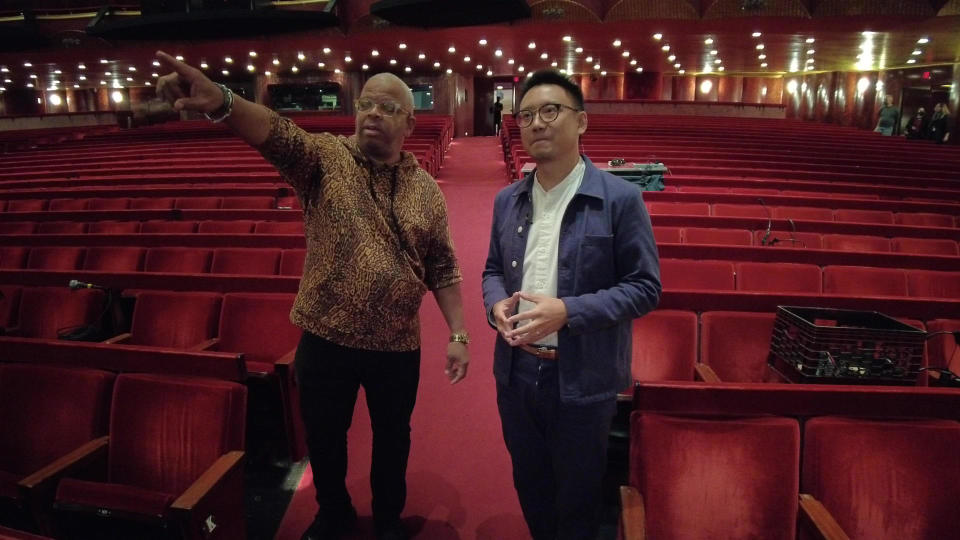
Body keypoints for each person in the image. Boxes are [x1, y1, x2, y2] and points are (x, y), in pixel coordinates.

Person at [154, 51, 470, 540]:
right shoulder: (325, 158)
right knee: (325, 440)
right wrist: (222, 101)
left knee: (393, 441)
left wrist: (459, 332)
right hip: (326, 338)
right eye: (366, 103)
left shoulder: (427, 190)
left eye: (387, 107)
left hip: (397, 345)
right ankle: (333, 513)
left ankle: (387, 519)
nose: (372, 114)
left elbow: (443, 265)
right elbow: (275, 132)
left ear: (409, 121)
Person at [481, 70, 661, 540]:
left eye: (550, 111)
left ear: (581, 121)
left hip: (583, 376)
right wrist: (496, 304)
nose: (537, 123)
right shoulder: (508, 200)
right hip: (516, 371)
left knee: (578, 498)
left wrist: (569, 312)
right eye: (526, 115)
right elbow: (492, 272)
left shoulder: (620, 199)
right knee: (531, 485)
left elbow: (644, 287)